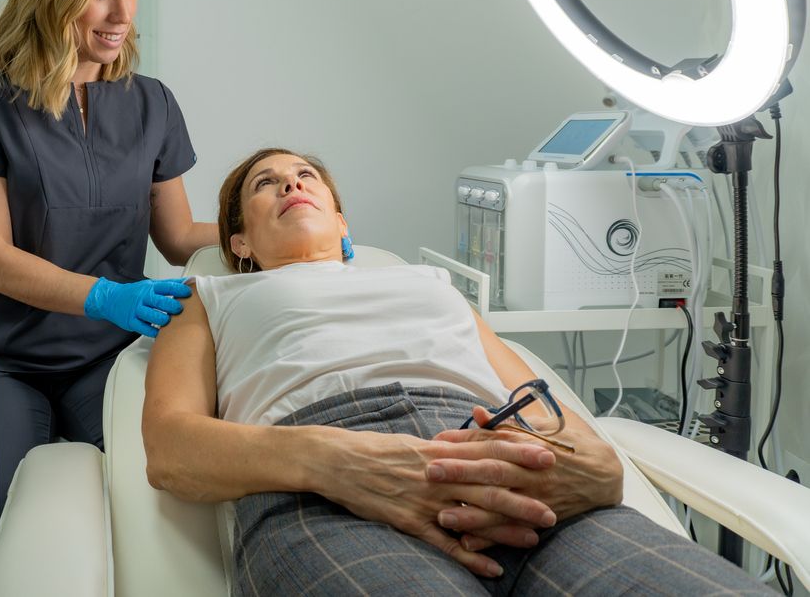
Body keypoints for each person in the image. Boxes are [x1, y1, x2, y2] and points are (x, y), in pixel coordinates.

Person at [142, 147, 766, 595]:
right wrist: (333, 460)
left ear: (341, 222)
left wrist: (599, 467)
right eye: (266, 183)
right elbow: (170, 449)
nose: (291, 184)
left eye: (306, 176)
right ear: (239, 243)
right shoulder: (206, 297)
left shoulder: (428, 282)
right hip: (323, 489)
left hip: (498, 461)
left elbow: (538, 401)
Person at [0, 0, 218, 585]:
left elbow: (180, 236)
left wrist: (275, 241)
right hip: (2, 356)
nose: (122, 14)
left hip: (108, 359)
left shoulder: (152, 103)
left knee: (156, 510)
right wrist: (105, 296)